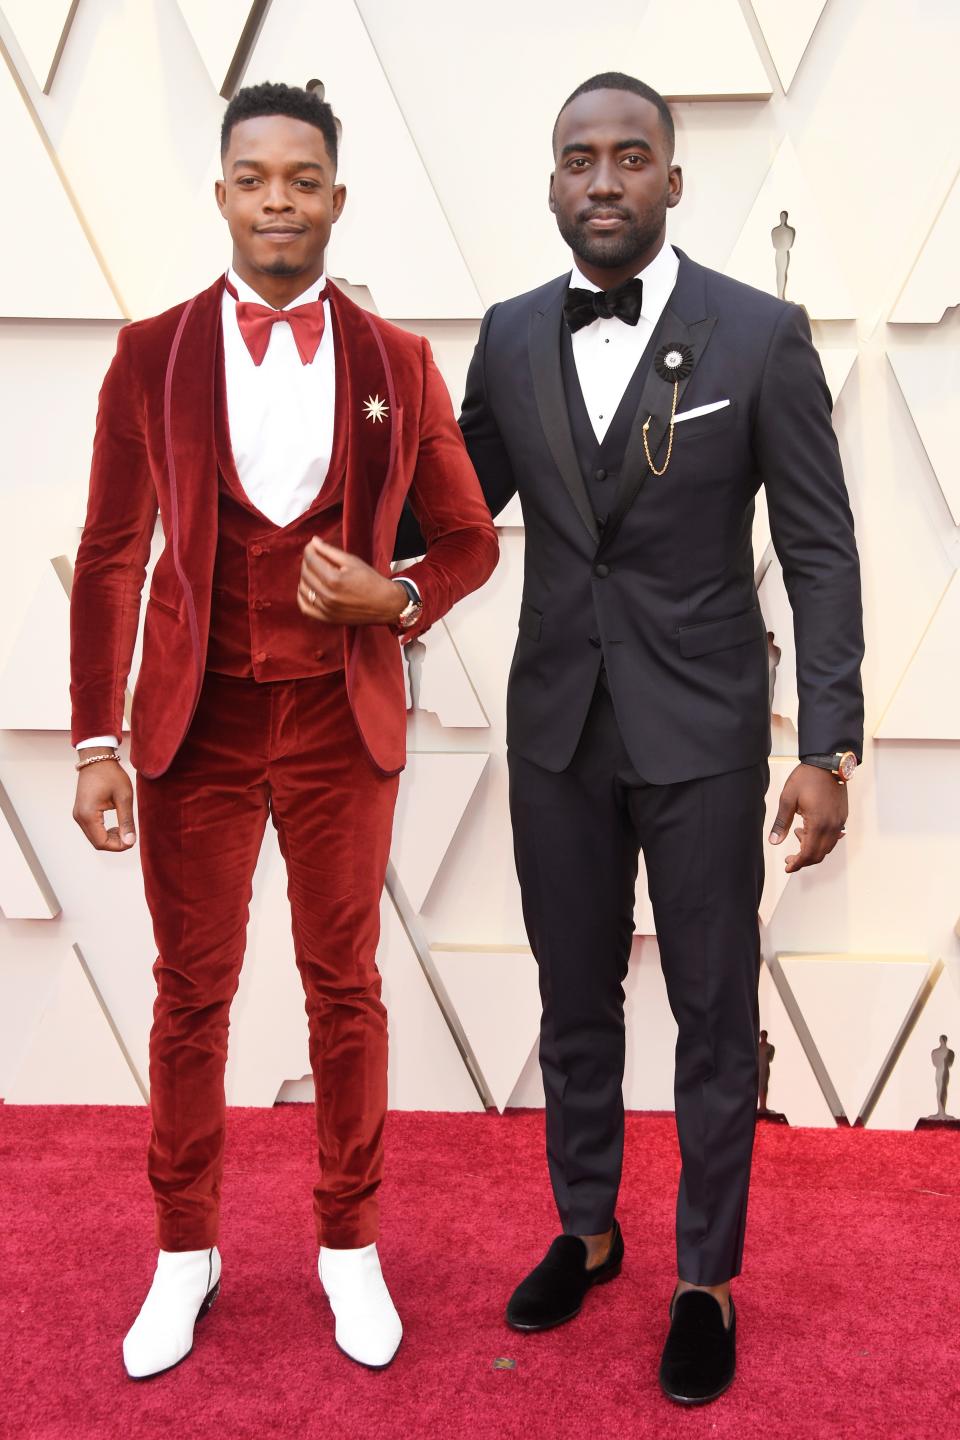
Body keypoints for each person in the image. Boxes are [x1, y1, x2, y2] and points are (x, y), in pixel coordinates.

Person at [399, 71, 864, 1405]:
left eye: (629, 156)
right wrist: (340, 541)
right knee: (572, 998)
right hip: (556, 729)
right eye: (577, 159)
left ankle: (704, 1276)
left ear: (671, 178)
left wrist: (825, 744)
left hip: (708, 727)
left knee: (716, 1013)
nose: (602, 178)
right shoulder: (506, 334)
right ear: (552, 184)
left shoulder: (761, 335)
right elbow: (456, 509)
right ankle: (590, 1230)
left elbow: (819, 551)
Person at [70, 81, 497, 1379]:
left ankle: (348, 1246)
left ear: (335, 199)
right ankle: (183, 1250)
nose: (276, 202)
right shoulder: (151, 354)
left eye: (301, 181)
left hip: (337, 724)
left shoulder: (395, 361)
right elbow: (107, 558)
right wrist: (96, 738)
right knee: (189, 997)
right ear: (221, 196)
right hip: (191, 728)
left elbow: (471, 539)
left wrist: (399, 596)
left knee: (344, 992)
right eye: (254, 179)